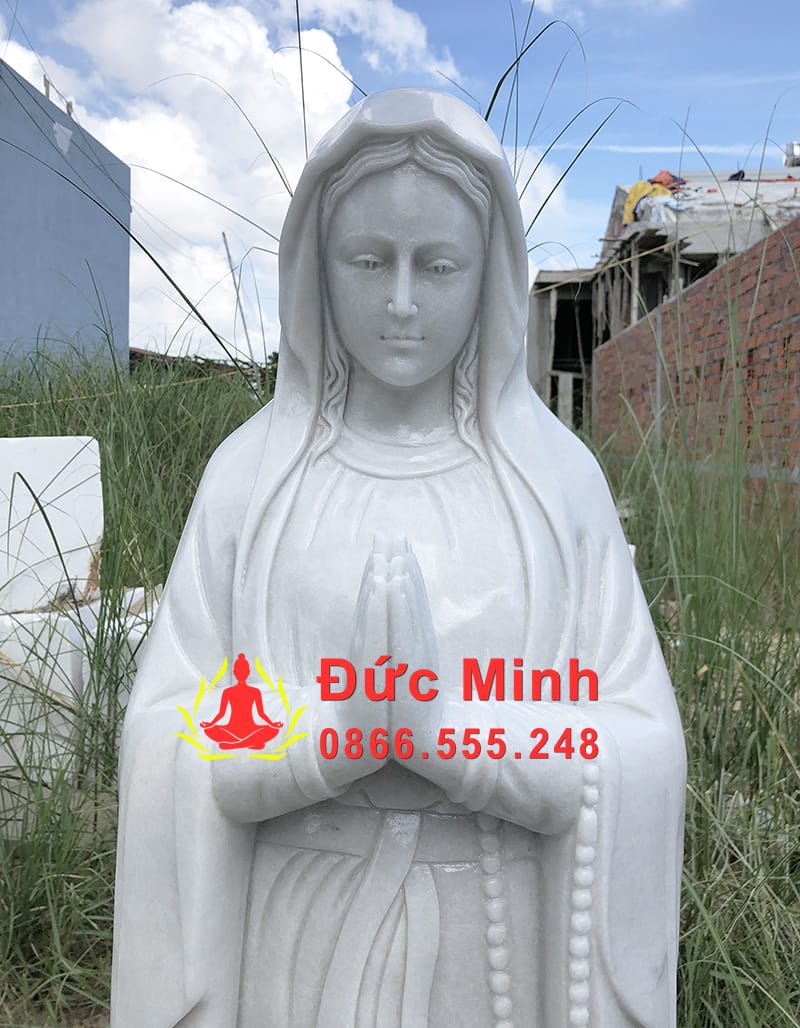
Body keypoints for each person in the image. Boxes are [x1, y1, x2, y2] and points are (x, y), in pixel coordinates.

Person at [112, 89, 686, 1028]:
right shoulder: (251, 481)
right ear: (320, 265)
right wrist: (331, 737)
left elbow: (635, 741)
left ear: (489, 271)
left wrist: (448, 736)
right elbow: (168, 736)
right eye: (370, 260)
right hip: (293, 940)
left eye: (440, 265)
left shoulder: (557, 487)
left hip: (495, 948)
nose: (404, 301)